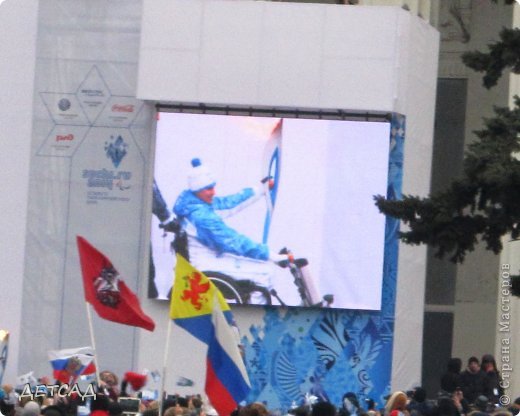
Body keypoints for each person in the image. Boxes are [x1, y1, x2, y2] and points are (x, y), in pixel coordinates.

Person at [173, 158, 287, 263]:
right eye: (209, 189)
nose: (214, 192)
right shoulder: (201, 217)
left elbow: (229, 204)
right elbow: (234, 242)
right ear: (198, 189)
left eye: (213, 187)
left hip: (207, 255)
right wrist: (271, 256)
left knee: (260, 264)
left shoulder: (195, 203)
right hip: (204, 263)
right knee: (264, 272)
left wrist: (261, 189)